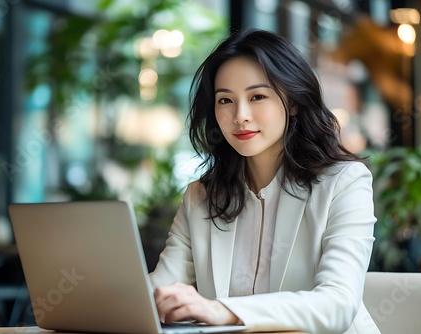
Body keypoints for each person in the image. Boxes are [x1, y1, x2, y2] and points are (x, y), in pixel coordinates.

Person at [149, 29, 380, 334]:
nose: (240, 115)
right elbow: (157, 293)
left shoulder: (345, 183)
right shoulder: (200, 196)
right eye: (225, 100)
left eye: (257, 96)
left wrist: (221, 310)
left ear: (293, 102)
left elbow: (337, 305)